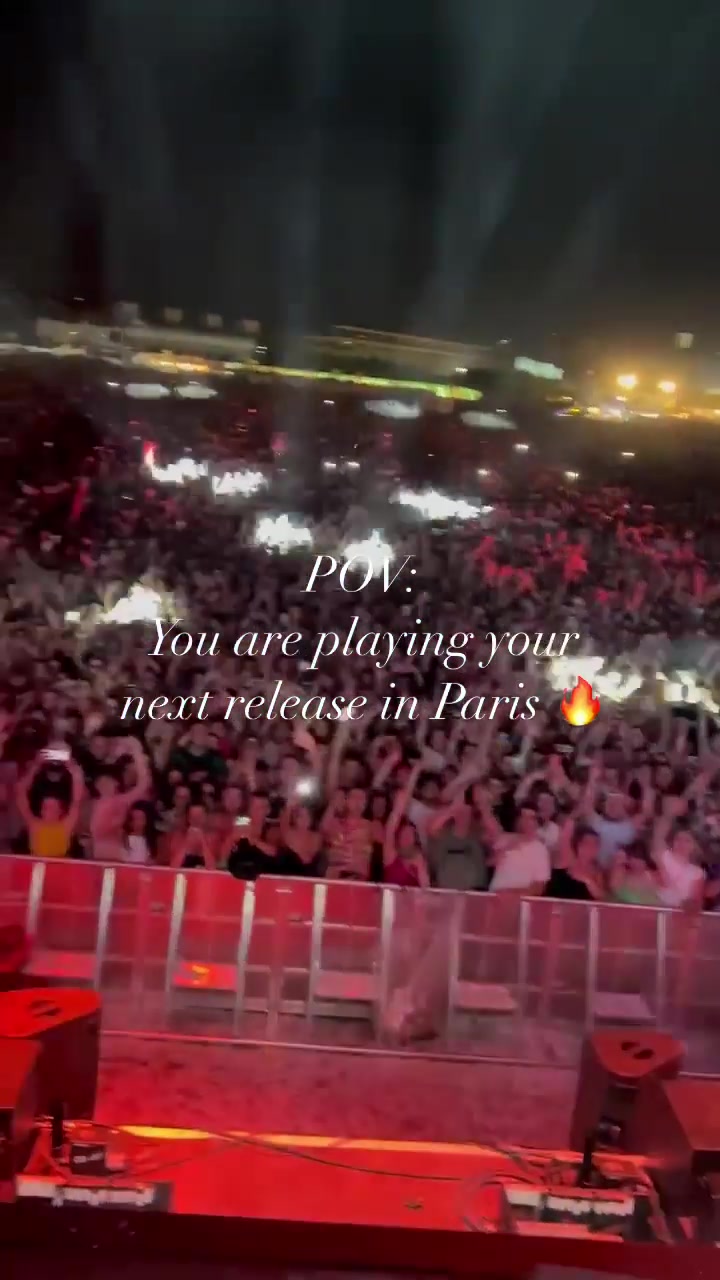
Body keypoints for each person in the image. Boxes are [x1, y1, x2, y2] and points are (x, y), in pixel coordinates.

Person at [17, 750, 84, 859]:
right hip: (37, 865)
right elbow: (20, 793)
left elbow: (77, 800)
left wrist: (73, 770)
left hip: (61, 866)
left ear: (60, 810)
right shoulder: (35, 825)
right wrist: (35, 766)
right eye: (45, 807)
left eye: (52, 807)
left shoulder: (66, 826)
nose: (46, 810)